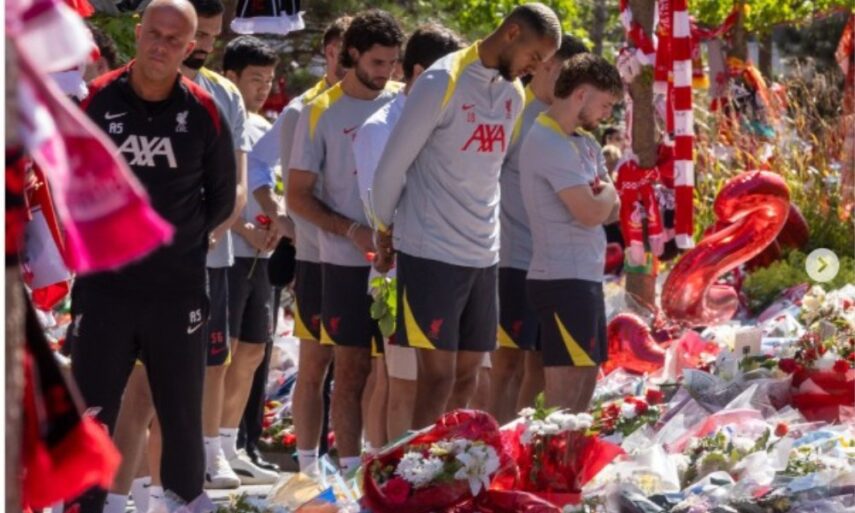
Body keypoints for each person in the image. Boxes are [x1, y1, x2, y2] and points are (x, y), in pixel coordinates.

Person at [67, 0, 236, 511]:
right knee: (92, 413)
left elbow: (221, 197)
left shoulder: (204, 110)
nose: (161, 47)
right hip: (105, 288)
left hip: (175, 290)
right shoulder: (95, 99)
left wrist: (179, 241)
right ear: (139, 33)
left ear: (190, 48)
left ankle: (183, 501)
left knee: (180, 414)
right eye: (154, 35)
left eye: (174, 40)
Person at [369, 3, 561, 428]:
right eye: (534, 56)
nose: (534, 69)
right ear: (512, 33)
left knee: (469, 376)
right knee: (436, 379)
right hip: (431, 250)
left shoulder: (513, 93)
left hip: (483, 254)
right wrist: (383, 228)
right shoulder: (441, 80)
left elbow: (492, 172)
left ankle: (448, 462)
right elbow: (391, 168)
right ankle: (417, 467)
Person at [287, 9, 405, 473]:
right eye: (377, 63)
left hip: (400, 261)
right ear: (352, 54)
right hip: (342, 262)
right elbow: (297, 196)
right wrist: (352, 231)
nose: (386, 73)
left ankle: (387, 471)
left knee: (392, 374)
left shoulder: (402, 101)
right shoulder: (319, 111)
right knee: (351, 371)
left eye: (393, 63)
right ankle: (351, 474)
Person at [353, 23, 464, 442]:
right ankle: (387, 468)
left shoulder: (444, 119)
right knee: (400, 382)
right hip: (397, 269)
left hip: (445, 264)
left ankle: (410, 467)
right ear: (420, 72)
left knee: (438, 380)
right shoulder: (379, 127)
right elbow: (378, 205)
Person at [249, 15, 351, 474]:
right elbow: (255, 164)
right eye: (344, 52)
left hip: (364, 257)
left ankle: (352, 465)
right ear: (329, 52)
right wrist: (279, 216)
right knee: (315, 366)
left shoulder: (384, 102)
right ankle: (309, 468)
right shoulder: (302, 108)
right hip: (313, 255)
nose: (351, 62)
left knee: (357, 370)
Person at [489, 34, 589, 425]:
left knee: (544, 364)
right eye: (568, 74)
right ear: (547, 64)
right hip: (512, 259)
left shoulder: (568, 121)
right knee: (505, 365)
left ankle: (523, 446)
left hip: (555, 264)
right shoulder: (512, 109)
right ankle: (491, 448)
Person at [520, 53, 622, 412]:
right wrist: (608, 191)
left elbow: (613, 212)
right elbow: (592, 212)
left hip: (584, 278)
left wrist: (604, 196)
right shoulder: (546, 141)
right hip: (561, 279)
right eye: (605, 104)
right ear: (581, 94)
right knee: (563, 403)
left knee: (584, 390)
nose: (606, 115)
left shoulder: (585, 143)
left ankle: (568, 451)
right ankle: (549, 451)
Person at [220, 34, 284, 485]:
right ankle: (208, 447)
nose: (263, 88)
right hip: (227, 253)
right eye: (255, 79)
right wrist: (244, 230)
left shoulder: (265, 126)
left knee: (253, 350)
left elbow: (272, 185)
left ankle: (231, 444)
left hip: (263, 255)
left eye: (269, 80)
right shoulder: (216, 121)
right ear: (231, 77)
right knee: (220, 355)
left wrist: (276, 226)